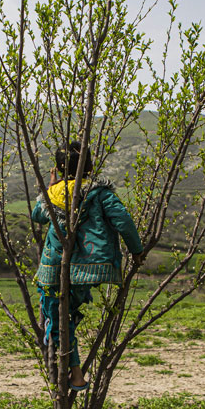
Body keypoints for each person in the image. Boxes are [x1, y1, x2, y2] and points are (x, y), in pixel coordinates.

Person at [31, 141, 144, 391]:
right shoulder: (100, 193)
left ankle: (74, 372)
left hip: (54, 268)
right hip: (88, 269)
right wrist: (137, 251)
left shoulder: (54, 195)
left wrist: (50, 187)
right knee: (67, 314)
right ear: (90, 165)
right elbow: (123, 221)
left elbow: (37, 216)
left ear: (60, 169)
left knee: (59, 316)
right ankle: (73, 369)